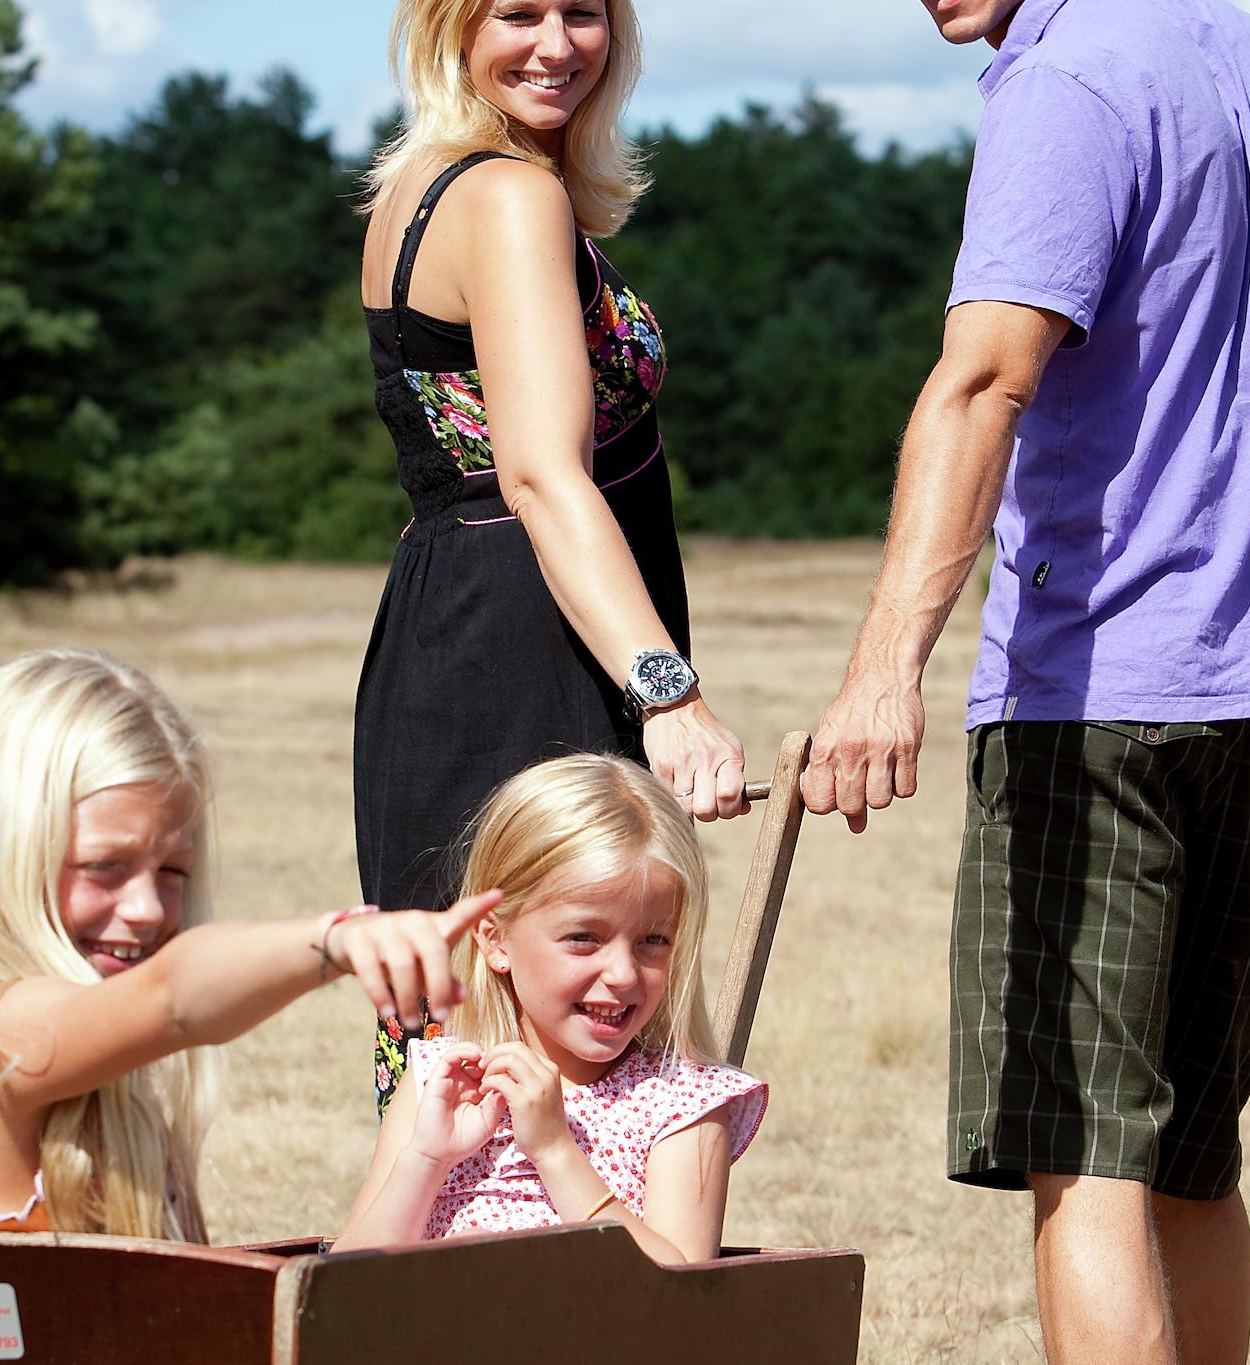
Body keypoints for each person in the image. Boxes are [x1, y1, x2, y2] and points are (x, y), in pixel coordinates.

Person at [799, 0, 1250, 1358]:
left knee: (1087, 1156)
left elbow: (983, 384)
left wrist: (882, 671)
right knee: (1194, 1155)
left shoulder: (1063, 80)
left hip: (1094, 705)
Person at [354, 0, 750, 1111]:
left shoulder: (421, 187)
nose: (555, 43)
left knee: (461, 1057)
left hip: (448, 627)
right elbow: (538, 476)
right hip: (530, 653)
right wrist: (667, 692)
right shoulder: (509, 197)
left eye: (582, 12)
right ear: (450, 29)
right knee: (558, 1038)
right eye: (516, 13)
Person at [0, 648, 499, 1241]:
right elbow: (175, 998)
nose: (148, 908)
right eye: (104, 867)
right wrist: (336, 938)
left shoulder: (96, 1068)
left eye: (172, 872)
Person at [336, 753, 766, 1264]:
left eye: (654, 940)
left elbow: (680, 1289)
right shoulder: (439, 1080)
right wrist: (427, 1158)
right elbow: (340, 1282)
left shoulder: (682, 1103)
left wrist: (556, 1151)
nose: (623, 974)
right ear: (496, 940)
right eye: (584, 938)